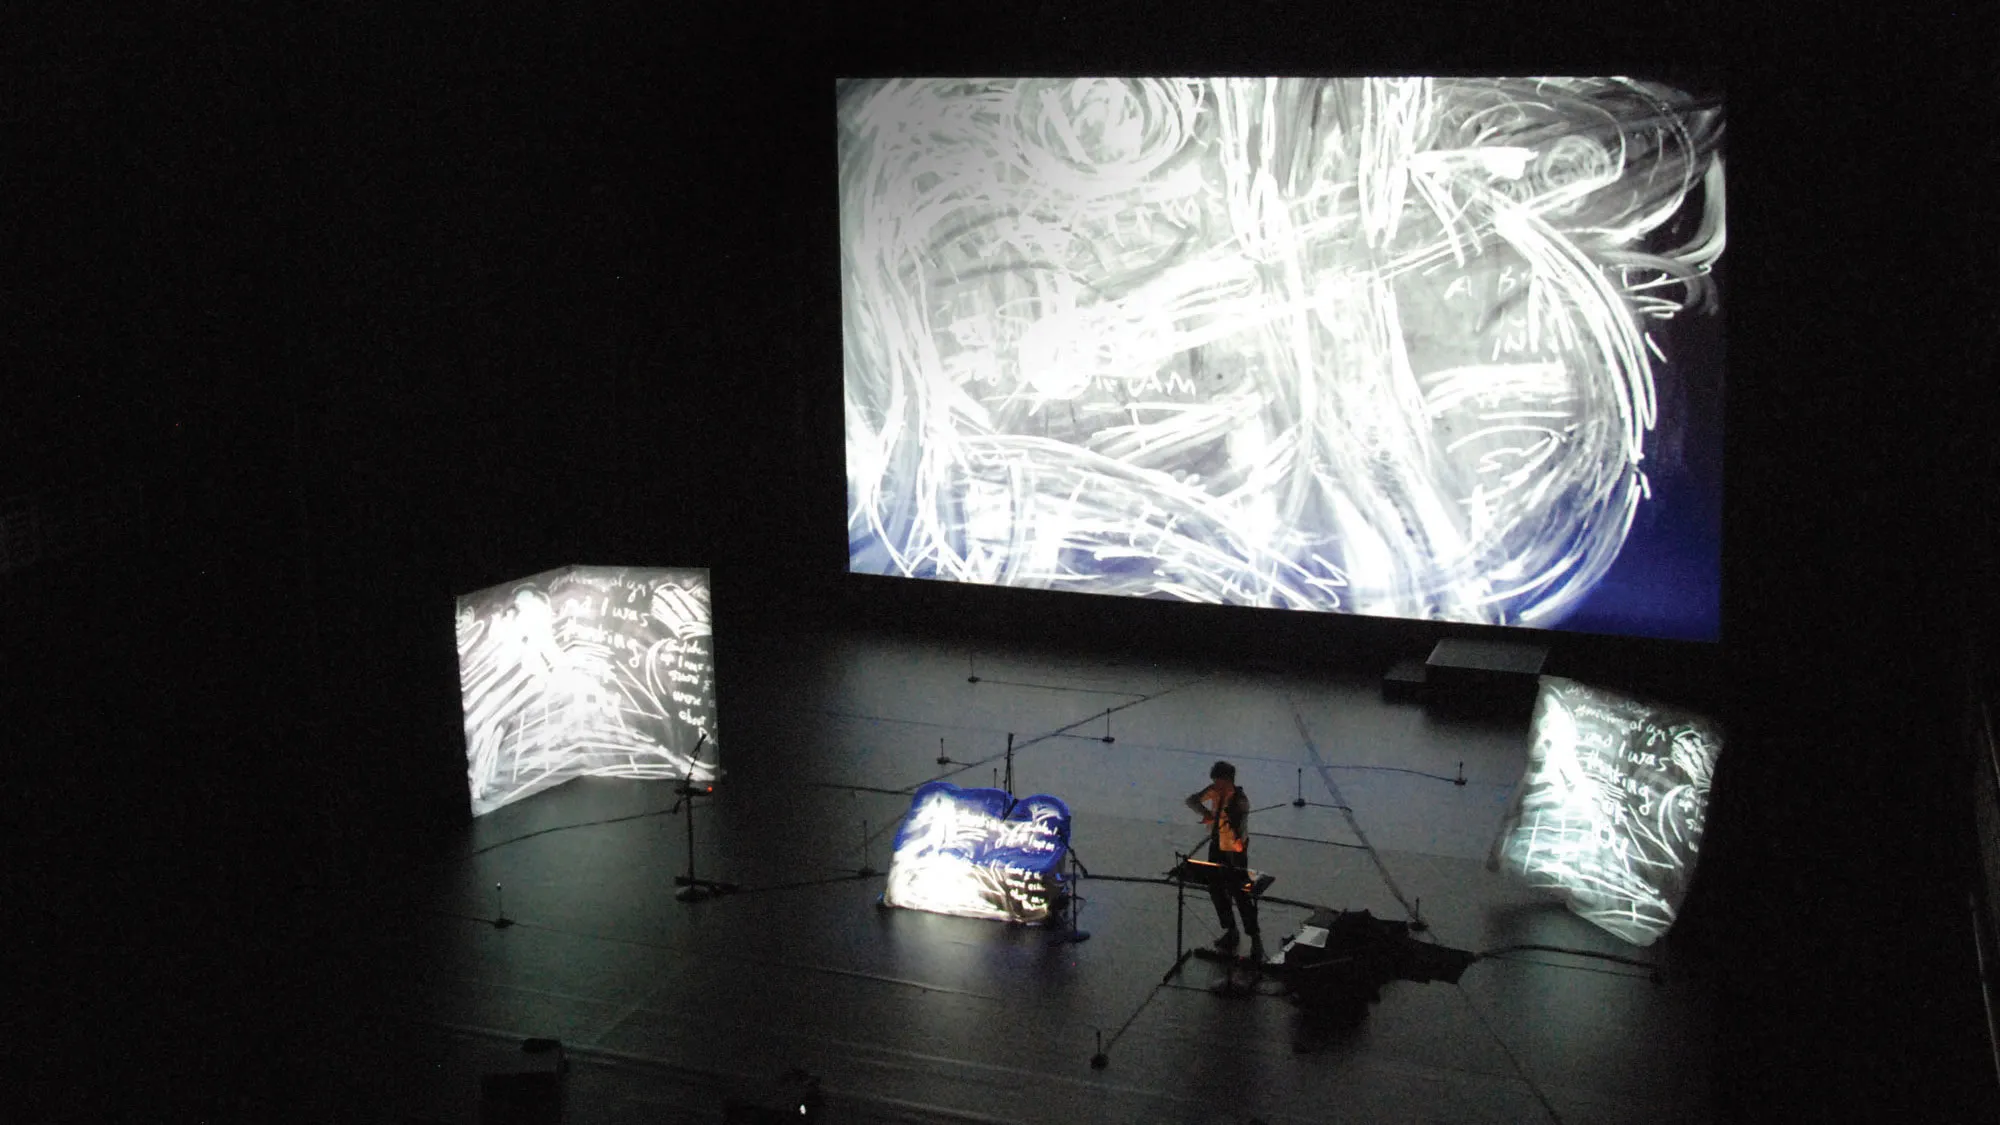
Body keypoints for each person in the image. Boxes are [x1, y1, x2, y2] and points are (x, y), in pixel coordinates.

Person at [1186, 760, 1261, 960]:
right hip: (1216, 847)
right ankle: (1231, 930)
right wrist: (1208, 814)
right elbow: (1192, 800)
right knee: (1217, 890)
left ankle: (1255, 938)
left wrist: (1233, 833)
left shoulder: (1240, 801)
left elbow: (1240, 833)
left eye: (1219, 783)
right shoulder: (1215, 791)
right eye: (1215, 783)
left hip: (1234, 853)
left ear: (1228, 781)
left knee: (1241, 893)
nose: (1216, 787)